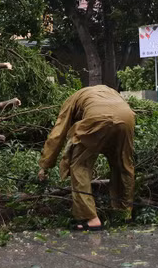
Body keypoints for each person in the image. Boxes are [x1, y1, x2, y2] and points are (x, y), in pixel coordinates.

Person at [37, 86, 135, 231]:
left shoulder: (71, 100)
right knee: (123, 164)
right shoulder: (107, 91)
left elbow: (58, 134)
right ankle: (125, 212)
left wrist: (45, 165)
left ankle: (90, 218)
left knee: (79, 165)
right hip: (127, 117)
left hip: (97, 118)